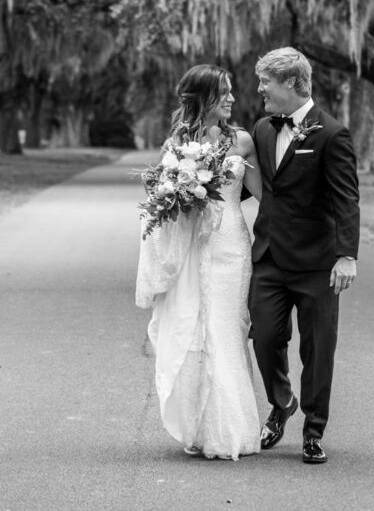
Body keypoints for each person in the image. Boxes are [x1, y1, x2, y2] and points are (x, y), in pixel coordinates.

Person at [135, 64, 262, 460]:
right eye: (223, 92)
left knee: (226, 329)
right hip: (194, 250)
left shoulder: (241, 141)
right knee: (197, 331)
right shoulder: (176, 145)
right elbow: (165, 209)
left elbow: (266, 197)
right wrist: (182, 193)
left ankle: (232, 429)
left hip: (232, 248)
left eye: (230, 92)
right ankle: (202, 427)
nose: (232, 99)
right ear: (203, 97)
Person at [245, 46, 360, 464]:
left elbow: (347, 199)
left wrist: (347, 255)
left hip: (317, 263)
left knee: (318, 348)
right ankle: (282, 403)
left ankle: (314, 431)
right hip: (269, 257)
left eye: (265, 82)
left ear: (291, 83)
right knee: (266, 336)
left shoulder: (331, 133)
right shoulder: (261, 128)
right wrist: (195, 183)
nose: (260, 90)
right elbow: (251, 184)